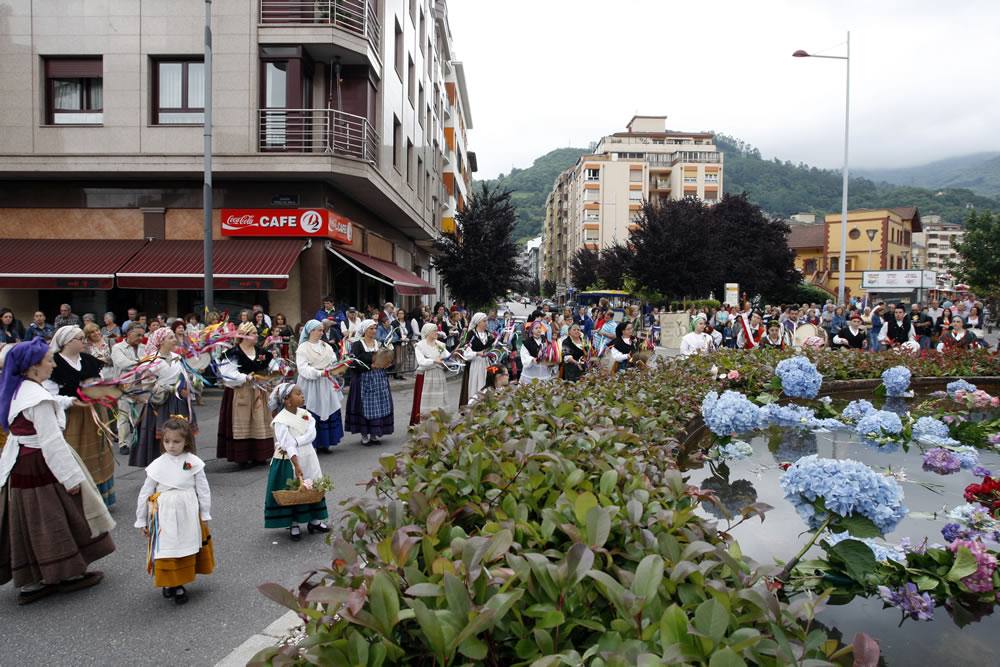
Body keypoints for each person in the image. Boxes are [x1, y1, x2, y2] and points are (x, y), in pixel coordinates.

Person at [0, 339, 115, 605]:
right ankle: (64, 573)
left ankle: (35, 576)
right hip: (42, 464)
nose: (53, 365)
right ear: (33, 367)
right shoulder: (36, 397)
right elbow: (51, 442)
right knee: (54, 516)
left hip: (22, 464)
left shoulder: (19, 389)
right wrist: (71, 479)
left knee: (31, 518)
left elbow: (51, 400)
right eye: (48, 360)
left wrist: (71, 399)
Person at [134, 417, 213, 605]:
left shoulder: (193, 462)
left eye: (176, 441)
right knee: (167, 547)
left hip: (187, 511)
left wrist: (205, 513)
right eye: (167, 441)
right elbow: (145, 492)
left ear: (186, 441)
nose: (171, 446)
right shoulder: (158, 465)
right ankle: (171, 583)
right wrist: (141, 519)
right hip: (164, 513)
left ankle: (179, 582)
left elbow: (203, 489)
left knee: (184, 544)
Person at [46, 326, 115, 507]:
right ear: (67, 342)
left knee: (99, 453)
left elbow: (100, 382)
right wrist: (71, 401)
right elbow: (49, 395)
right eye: (80, 338)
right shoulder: (54, 364)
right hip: (72, 417)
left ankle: (100, 498)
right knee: (76, 454)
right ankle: (79, 500)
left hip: (94, 413)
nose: (84, 341)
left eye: (84, 338)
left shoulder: (89, 360)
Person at [264, 384, 330, 542]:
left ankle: (314, 520)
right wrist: (296, 463)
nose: (302, 396)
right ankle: (293, 522)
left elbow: (312, 433)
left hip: (308, 454)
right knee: (294, 488)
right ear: (287, 400)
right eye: (298, 394)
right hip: (290, 458)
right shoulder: (280, 420)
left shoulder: (305, 414)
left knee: (312, 483)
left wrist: (297, 441)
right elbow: (286, 443)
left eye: (301, 393)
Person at [130, 328, 199, 468]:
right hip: (160, 404)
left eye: (174, 337)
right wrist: (168, 389)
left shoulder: (177, 357)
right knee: (163, 434)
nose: (175, 340)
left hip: (179, 402)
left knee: (181, 433)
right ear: (161, 341)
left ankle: (183, 464)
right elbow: (147, 385)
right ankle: (161, 467)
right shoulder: (151, 360)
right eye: (171, 337)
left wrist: (189, 386)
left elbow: (185, 376)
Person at [216, 322, 274, 465]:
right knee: (242, 421)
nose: (256, 336)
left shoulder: (262, 353)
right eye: (253, 333)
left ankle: (259, 454)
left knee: (260, 420)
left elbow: (272, 366)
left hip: (258, 392)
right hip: (240, 392)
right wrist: (245, 377)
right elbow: (227, 374)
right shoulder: (233, 353)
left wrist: (273, 374)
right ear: (244, 336)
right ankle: (242, 456)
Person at [294, 320, 344, 452]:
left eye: (322, 330)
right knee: (311, 410)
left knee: (327, 408)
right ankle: (312, 443)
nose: (322, 333)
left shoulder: (325, 346)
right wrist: (319, 373)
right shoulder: (303, 348)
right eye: (319, 330)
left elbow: (333, 360)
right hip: (311, 384)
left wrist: (337, 368)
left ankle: (325, 443)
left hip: (326, 382)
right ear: (311, 331)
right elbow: (303, 368)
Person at [345, 320, 394, 444]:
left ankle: (374, 434)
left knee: (379, 406)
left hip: (379, 378)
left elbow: (386, 357)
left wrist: (386, 363)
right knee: (365, 406)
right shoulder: (357, 345)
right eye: (371, 329)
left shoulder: (379, 343)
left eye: (375, 328)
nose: (374, 331)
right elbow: (353, 362)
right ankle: (364, 435)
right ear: (364, 330)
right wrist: (369, 366)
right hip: (364, 379)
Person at [111, 325, 145, 455]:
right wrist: (143, 362)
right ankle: (123, 443)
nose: (141, 338)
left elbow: (151, 362)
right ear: (129, 333)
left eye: (142, 335)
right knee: (124, 415)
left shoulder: (143, 347)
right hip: (124, 386)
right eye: (138, 335)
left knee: (141, 416)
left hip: (142, 386)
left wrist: (142, 362)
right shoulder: (117, 348)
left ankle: (140, 442)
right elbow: (123, 363)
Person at [411, 323, 450, 425]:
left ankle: (439, 423)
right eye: (434, 331)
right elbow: (421, 361)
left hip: (438, 374)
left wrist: (452, 357)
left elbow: (446, 355)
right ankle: (424, 424)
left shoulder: (439, 345)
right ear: (428, 332)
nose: (436, 332)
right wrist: (434, 361)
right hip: (425, 375)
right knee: (425, 400)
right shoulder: (420, 345)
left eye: (436, 330)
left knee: (439, 399)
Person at [458, 313, 492, 408]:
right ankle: (474, 406)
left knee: (487, 384)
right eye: (484, 321)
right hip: (475, 364)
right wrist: (477, 353)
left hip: (486, 364)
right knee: (476, 384)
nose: (486, 323)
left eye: (486, 321)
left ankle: (486, 406)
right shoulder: (471, 334)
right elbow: (466, 353)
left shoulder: (488, 334)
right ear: (477, 322)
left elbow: (492, 347)